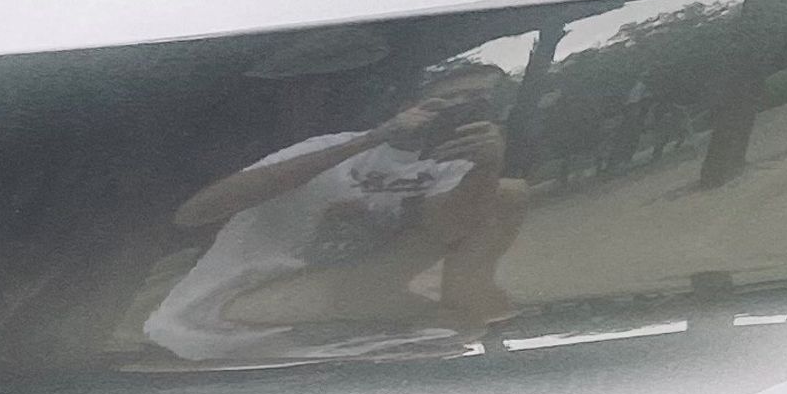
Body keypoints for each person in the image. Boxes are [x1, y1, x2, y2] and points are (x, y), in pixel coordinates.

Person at [143, 59, 528, 360]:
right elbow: (196, 212)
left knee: (508, 193)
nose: (459, 110)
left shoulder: (459, 170)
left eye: (475, 103)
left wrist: (488, 166)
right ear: (407, 107)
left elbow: (449, 234)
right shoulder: (331, 146)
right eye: (446, 102)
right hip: (224, 312)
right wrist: (374, 138)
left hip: (339, 314)